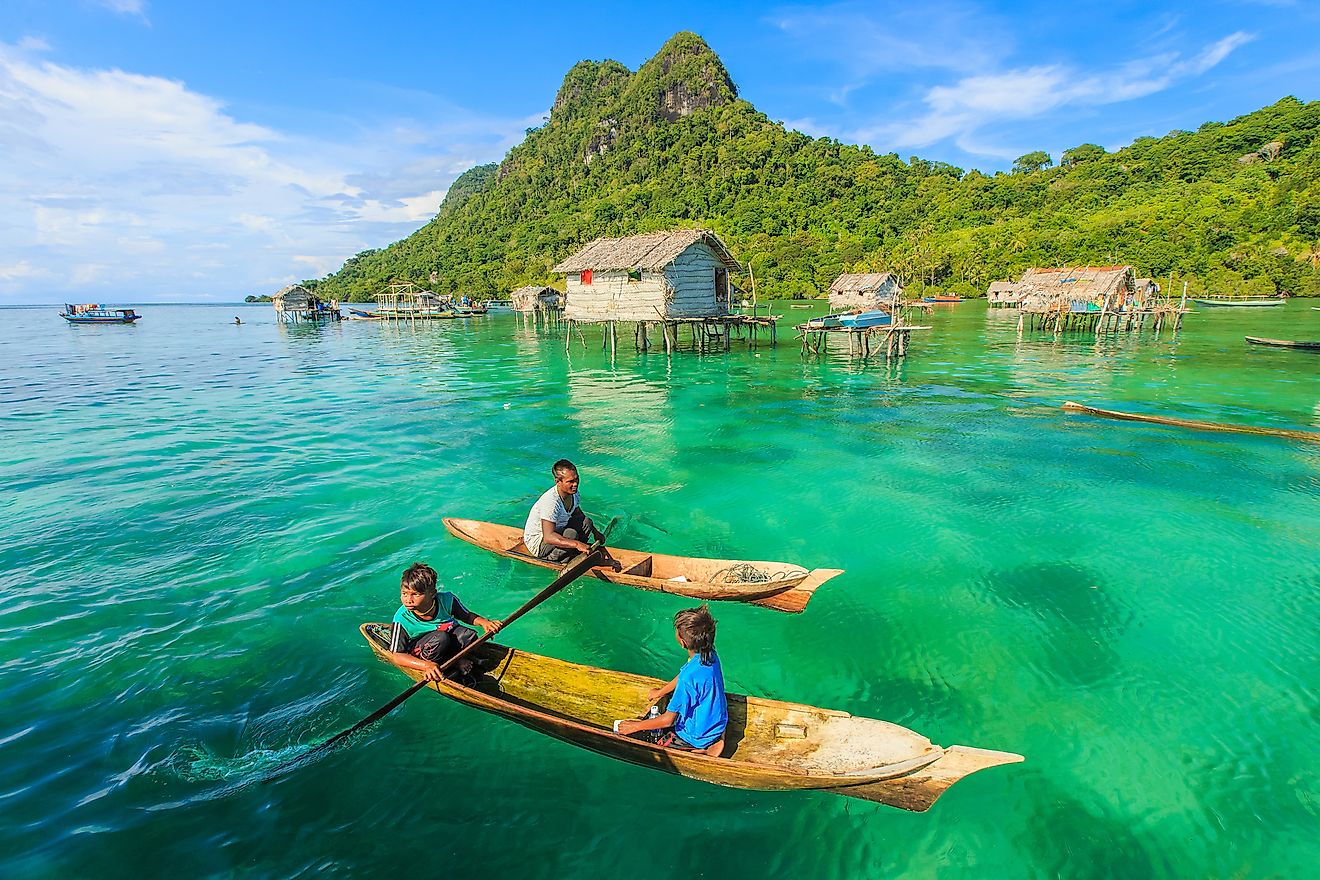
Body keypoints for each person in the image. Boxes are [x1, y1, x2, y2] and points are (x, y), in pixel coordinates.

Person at [615, 605, 727, 757]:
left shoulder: (688, 678)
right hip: (718, 722)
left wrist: (636, 726)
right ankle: (713, 739)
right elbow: (683, 674)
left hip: (697, 735)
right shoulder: (709, 653)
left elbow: (668, 720)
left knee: (652, 741)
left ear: (682, 643)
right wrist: (660, 692)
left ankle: (702, 748)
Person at [387, 562, 502, 684]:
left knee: (467, 635)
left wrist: (485, 622)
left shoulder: (447, 600)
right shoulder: (402, 618)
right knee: (441, 638)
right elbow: (397, 655)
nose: (408, 600)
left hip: (445, 642)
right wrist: (426, 665)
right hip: (424, 652)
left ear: (432, 593)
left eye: (416, 594)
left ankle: (457, 659)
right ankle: (448, 664)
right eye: (404, 594)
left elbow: (467, 616)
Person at [523, 459, 597, 562]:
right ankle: (552, 559)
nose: (575, 484)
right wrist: (576, 544)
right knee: (571, 534)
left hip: (559, 531)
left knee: (586, 522)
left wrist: (596, 532)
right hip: (539, 543)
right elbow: (548, 537)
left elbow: (578, 515)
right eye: (570, 481)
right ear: (558, 482)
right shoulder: (551, 501)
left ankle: (572, 552)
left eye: (576, 479)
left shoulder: (574, 493)